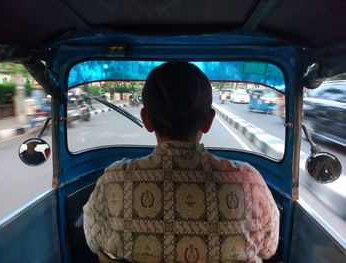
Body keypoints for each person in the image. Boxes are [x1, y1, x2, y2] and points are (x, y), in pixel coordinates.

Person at [83, 62, 279, 263]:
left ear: (146, 120)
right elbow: (269, 249)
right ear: (209, 121)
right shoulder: (249, 182)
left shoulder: (113, 181)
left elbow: (92, 241)